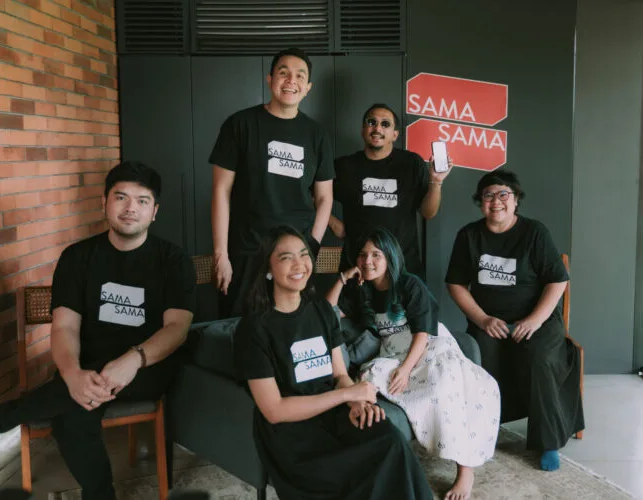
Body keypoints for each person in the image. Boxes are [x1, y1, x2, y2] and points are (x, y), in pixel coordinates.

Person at [0, 162, 196, 499]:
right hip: (86, 366)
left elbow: (177, 328)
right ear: (104, 202)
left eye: (142, 201)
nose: (131, 208)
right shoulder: (77, 258)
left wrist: (133, 360)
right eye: (121, 197)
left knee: (69, 407)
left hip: (148, 367)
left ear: (155, 211)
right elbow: (64, 326)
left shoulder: (173, 260)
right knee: (72, 417)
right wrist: (72, 373)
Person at [234, 225, 433, 500]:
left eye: (304, 254)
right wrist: (348, 395)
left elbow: (340, 375)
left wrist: (356, 403)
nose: (299, 264)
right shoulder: (253, 329)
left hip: (337, 416)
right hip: (293, 434)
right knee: (357, 472)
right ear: (268, 267)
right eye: (286, 258)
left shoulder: (321, 311)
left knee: (390, 440)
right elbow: (275, 410)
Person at [327, 227, 500, 500]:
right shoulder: (361, 290)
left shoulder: (409, 284)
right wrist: (342, 278)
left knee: (444, 382)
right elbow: (327, 314)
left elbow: (423, 332)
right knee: (371, 377)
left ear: (390, 257)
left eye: (376, 254)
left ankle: (465, 469)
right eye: (362, 255)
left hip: (427, 345)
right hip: (391, 352)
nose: (368, 261)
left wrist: (406, 370)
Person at [445, 170, 584, 472]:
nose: (496, 201)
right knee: (479, 356)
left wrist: (534, 320)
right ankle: (486, 428)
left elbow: (558, 280)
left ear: (516, 199)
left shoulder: (534, 232)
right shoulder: (469, 236)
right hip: (489, 321)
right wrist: (482, 318)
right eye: (488, 195)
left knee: (540, 357)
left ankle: (547, 442)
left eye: (503, 194)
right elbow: (455, 283)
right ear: (480, 202)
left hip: (537, 320)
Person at [210, 47, 334, 318]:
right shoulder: (239, 124)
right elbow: (221, 190)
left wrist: (311, 245)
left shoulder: (317, 134)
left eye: (300, 76)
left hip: (295, 253)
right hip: (247, 250)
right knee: (239, 326)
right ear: (269, 79)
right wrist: (221, 255)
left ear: (308, 87)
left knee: (291, 327)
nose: (291, 81)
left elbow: (325, 197)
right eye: (283, 73)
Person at [330, 103, 451, 277]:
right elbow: (312, 195)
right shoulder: (344, 166)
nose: (377, 128)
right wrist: (334, 224)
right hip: (359, 266)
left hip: (404, 266)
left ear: (395, 134)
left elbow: (428, 213)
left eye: (385, 124)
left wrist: (436, 182)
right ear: (363, 129)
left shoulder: (411, 163)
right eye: (371, 122)